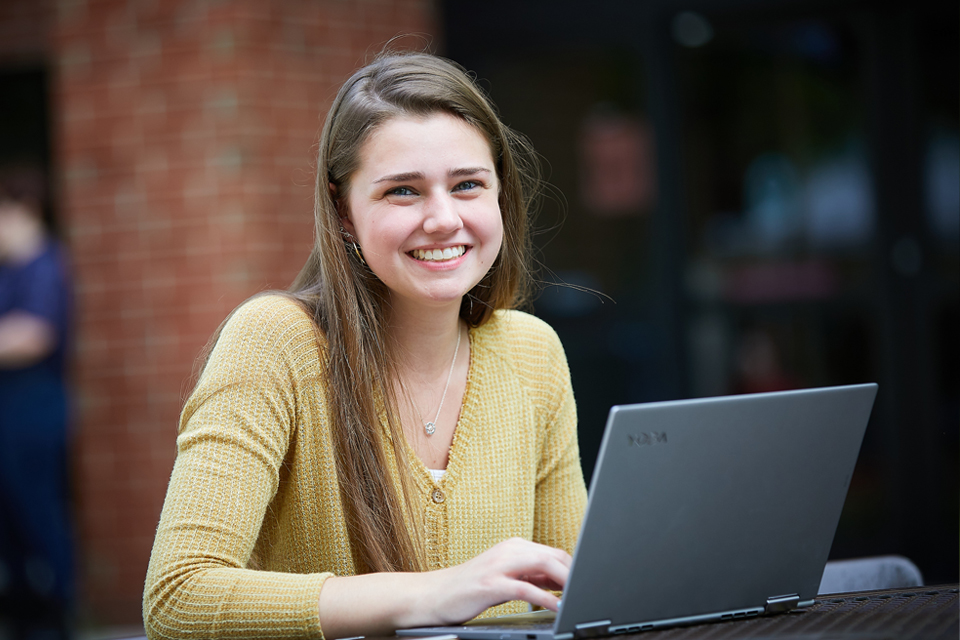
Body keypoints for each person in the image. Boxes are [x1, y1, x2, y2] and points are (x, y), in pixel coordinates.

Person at [143, 51, 588, 640]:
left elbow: (574, 593)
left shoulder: (534, 352)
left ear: (500, 194)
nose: (443, 218)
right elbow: (178, 598)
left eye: (468, 185)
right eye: (403, 191)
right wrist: (435, 593)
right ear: (343, 213)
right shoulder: (275, 342)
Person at [0, 167, 73, 634]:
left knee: (38, 510)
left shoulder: (47, 265)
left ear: (21, 210)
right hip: (9, 413)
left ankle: (58, 612)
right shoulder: (8, 272)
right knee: (8, 516)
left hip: (34, 411)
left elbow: (35, 335)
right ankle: (25, 612)